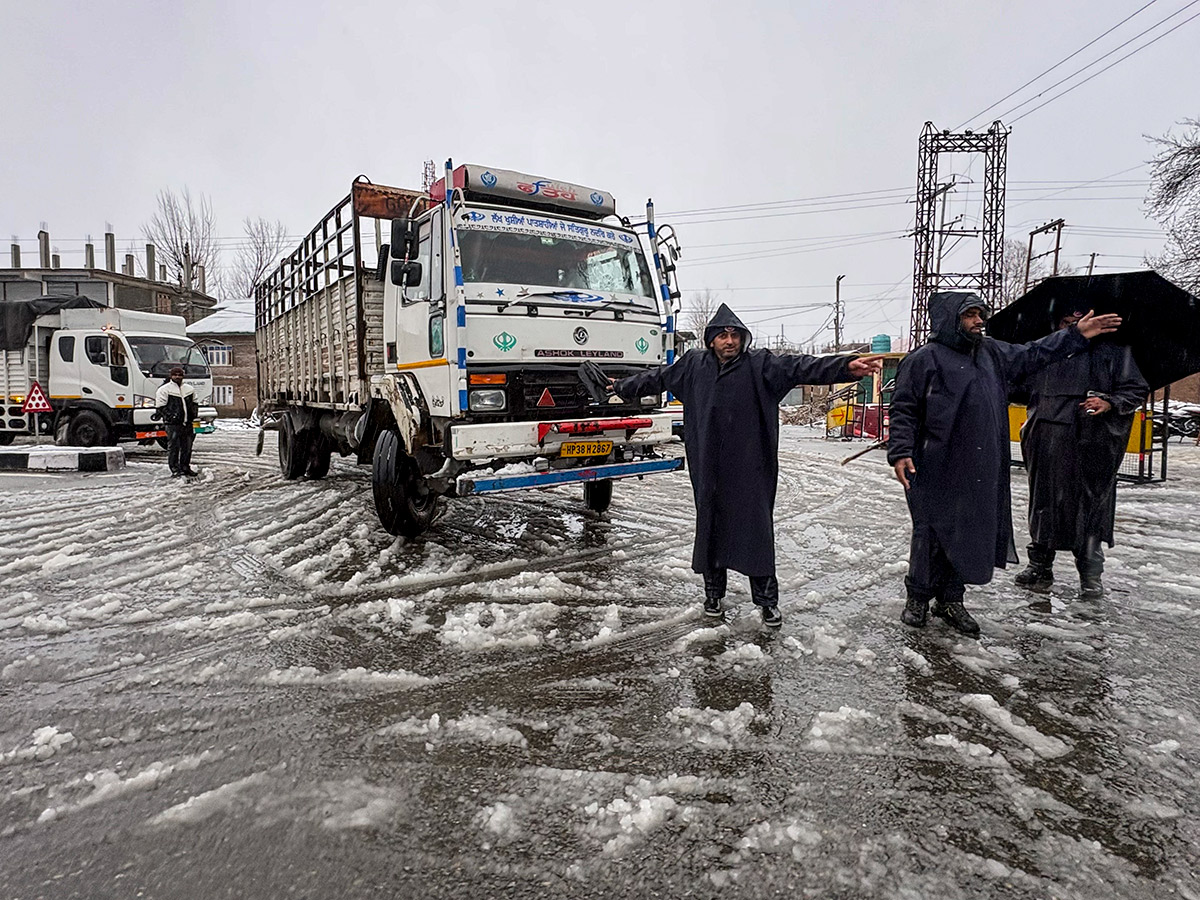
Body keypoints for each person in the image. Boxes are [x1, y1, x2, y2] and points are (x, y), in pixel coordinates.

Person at [611, 304, 881, 627]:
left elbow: (800, 367)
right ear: (711, 339)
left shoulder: (760, 365)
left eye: (735, 335)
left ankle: (767, 602)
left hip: (751, 466)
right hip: (709, 466)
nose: (730, 341)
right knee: (711, 528)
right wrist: (620, 386)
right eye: (723, 335)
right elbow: (657, 378)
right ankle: (713, 595)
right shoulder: (694, 365)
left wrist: (845, 366)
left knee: (756, 532)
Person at [887, 291, 1121, 637]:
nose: (979, 321)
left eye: (980, 314)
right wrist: (900, 451)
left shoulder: (990, 352)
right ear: (950, 319)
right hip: (933, 462)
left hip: (978, 464)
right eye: (970, 315)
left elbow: (1034, 354)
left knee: (966, 531)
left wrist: (1076, 335)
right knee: (931, 531)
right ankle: (918, 597)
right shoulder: (923, 359)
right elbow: (904, 409)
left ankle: (951, 599)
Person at [1013, 302, 1148, 598]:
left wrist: (1109, 402)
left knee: (1090, 507)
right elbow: (1019, 388)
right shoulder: (1045, 352)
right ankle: (1040, 565)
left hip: (1092, 442)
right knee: (1043, 502)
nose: (1074, 328)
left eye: (1080, 321)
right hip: (1045, 438)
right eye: (1066, 323)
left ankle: (1090, 573)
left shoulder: (1112, 353)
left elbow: (1135, 389)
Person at [155, 366, 199, 477]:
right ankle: (174, 468)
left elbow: (195, 403)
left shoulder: (189, 389)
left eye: (180, 375)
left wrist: (193, 415)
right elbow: (160, 407)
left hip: (187, 423)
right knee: (174, 447)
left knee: (187, 447)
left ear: (183, 376)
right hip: (173, 424)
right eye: (175, 375)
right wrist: (171, 417)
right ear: (171, 376)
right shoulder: (164, 390)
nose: (177, 377)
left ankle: (185, 467)